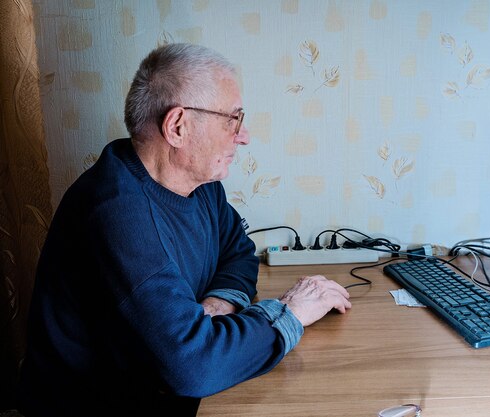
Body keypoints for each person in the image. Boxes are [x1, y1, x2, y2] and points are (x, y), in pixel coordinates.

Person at [18, 43, 352, 417]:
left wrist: (218, 304)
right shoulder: (117, 214)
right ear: (178, 126)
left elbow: (238, 252)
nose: (243, 136)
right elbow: (192, 367)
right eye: (234, 120)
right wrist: (289, 312)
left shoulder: (202, 186)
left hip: (159, 389)